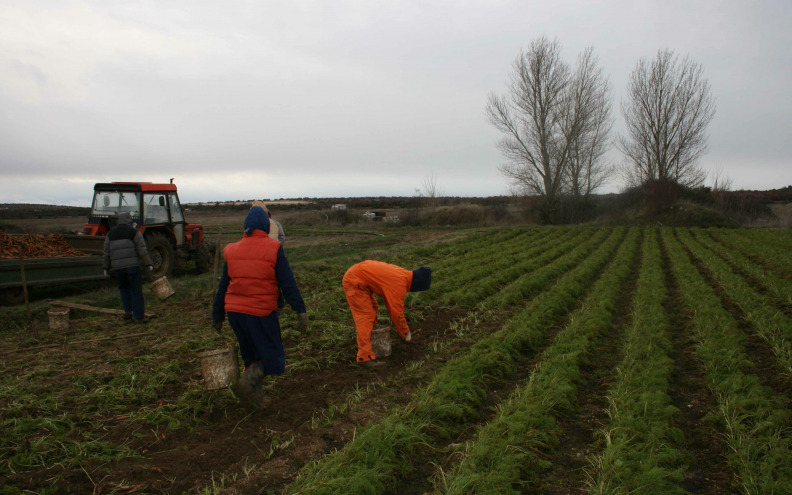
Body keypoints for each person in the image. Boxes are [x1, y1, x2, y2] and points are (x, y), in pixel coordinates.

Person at [212, 206, 308, 408]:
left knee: (251, 355)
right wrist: (299, 309)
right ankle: (248, 382)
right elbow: (287, 283)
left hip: (235, 313)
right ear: (265, 226)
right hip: (261, 312)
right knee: (272, 357)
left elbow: (223, 287)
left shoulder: (232, 250)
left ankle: (255, 400)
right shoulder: (273, 248)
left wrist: (217, 315)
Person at [342, 261, 432, 369]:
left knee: (373, 307)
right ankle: (364, 357)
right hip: (355, 280)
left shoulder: (403, 275)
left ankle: (372, 339)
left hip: (359, 275)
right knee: (365, 316)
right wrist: (406, 334)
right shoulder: (399, 284)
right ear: (417, 285)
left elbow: (390, 306)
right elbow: (396, 313)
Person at [103, 212, 154, 323]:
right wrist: (148, 264)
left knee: (124, 289)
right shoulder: (134, 232)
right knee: (136, 291)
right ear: (129, 221)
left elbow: (106, 252)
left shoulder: (110, 234)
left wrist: (106, 267)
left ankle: (128, 312)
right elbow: (142, 250)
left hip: (118, 268)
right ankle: (139, 317)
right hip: (132, 267)